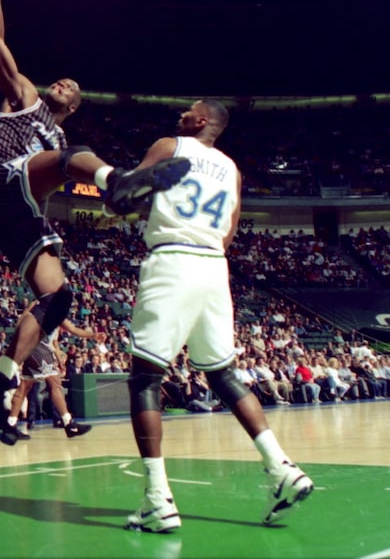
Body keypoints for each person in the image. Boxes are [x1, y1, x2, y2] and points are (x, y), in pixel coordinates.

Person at [0, 0, 190, 446]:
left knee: (58, 296)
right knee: (71, 159)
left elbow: (24, 205)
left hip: (12, 208)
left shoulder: (57, 137)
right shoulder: (25, 99)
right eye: (59, 81)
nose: (60, 84)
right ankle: (118, 182)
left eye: (70, 87)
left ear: (76, 105)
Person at [122, 99, 313, 532]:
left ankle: (158, 500)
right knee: (224, 375)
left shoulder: (170, 146)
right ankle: (281, 466)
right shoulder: (232, 169)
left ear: (202, 120)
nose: (181, 115)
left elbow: (128, 188)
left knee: (145, 379)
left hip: (172, 260)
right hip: (213, 265)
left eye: (188, 111)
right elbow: (229, 231)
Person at [6, 310, 100, 439]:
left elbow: (56, 343)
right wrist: (93, 335)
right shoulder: (47, 309)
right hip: (38, 347)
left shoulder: (50, 312)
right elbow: (73, 330)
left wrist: (59, 360)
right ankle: (69, 424)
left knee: (24, 387)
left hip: (32, 348)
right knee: (55, 384)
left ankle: (10, 424)